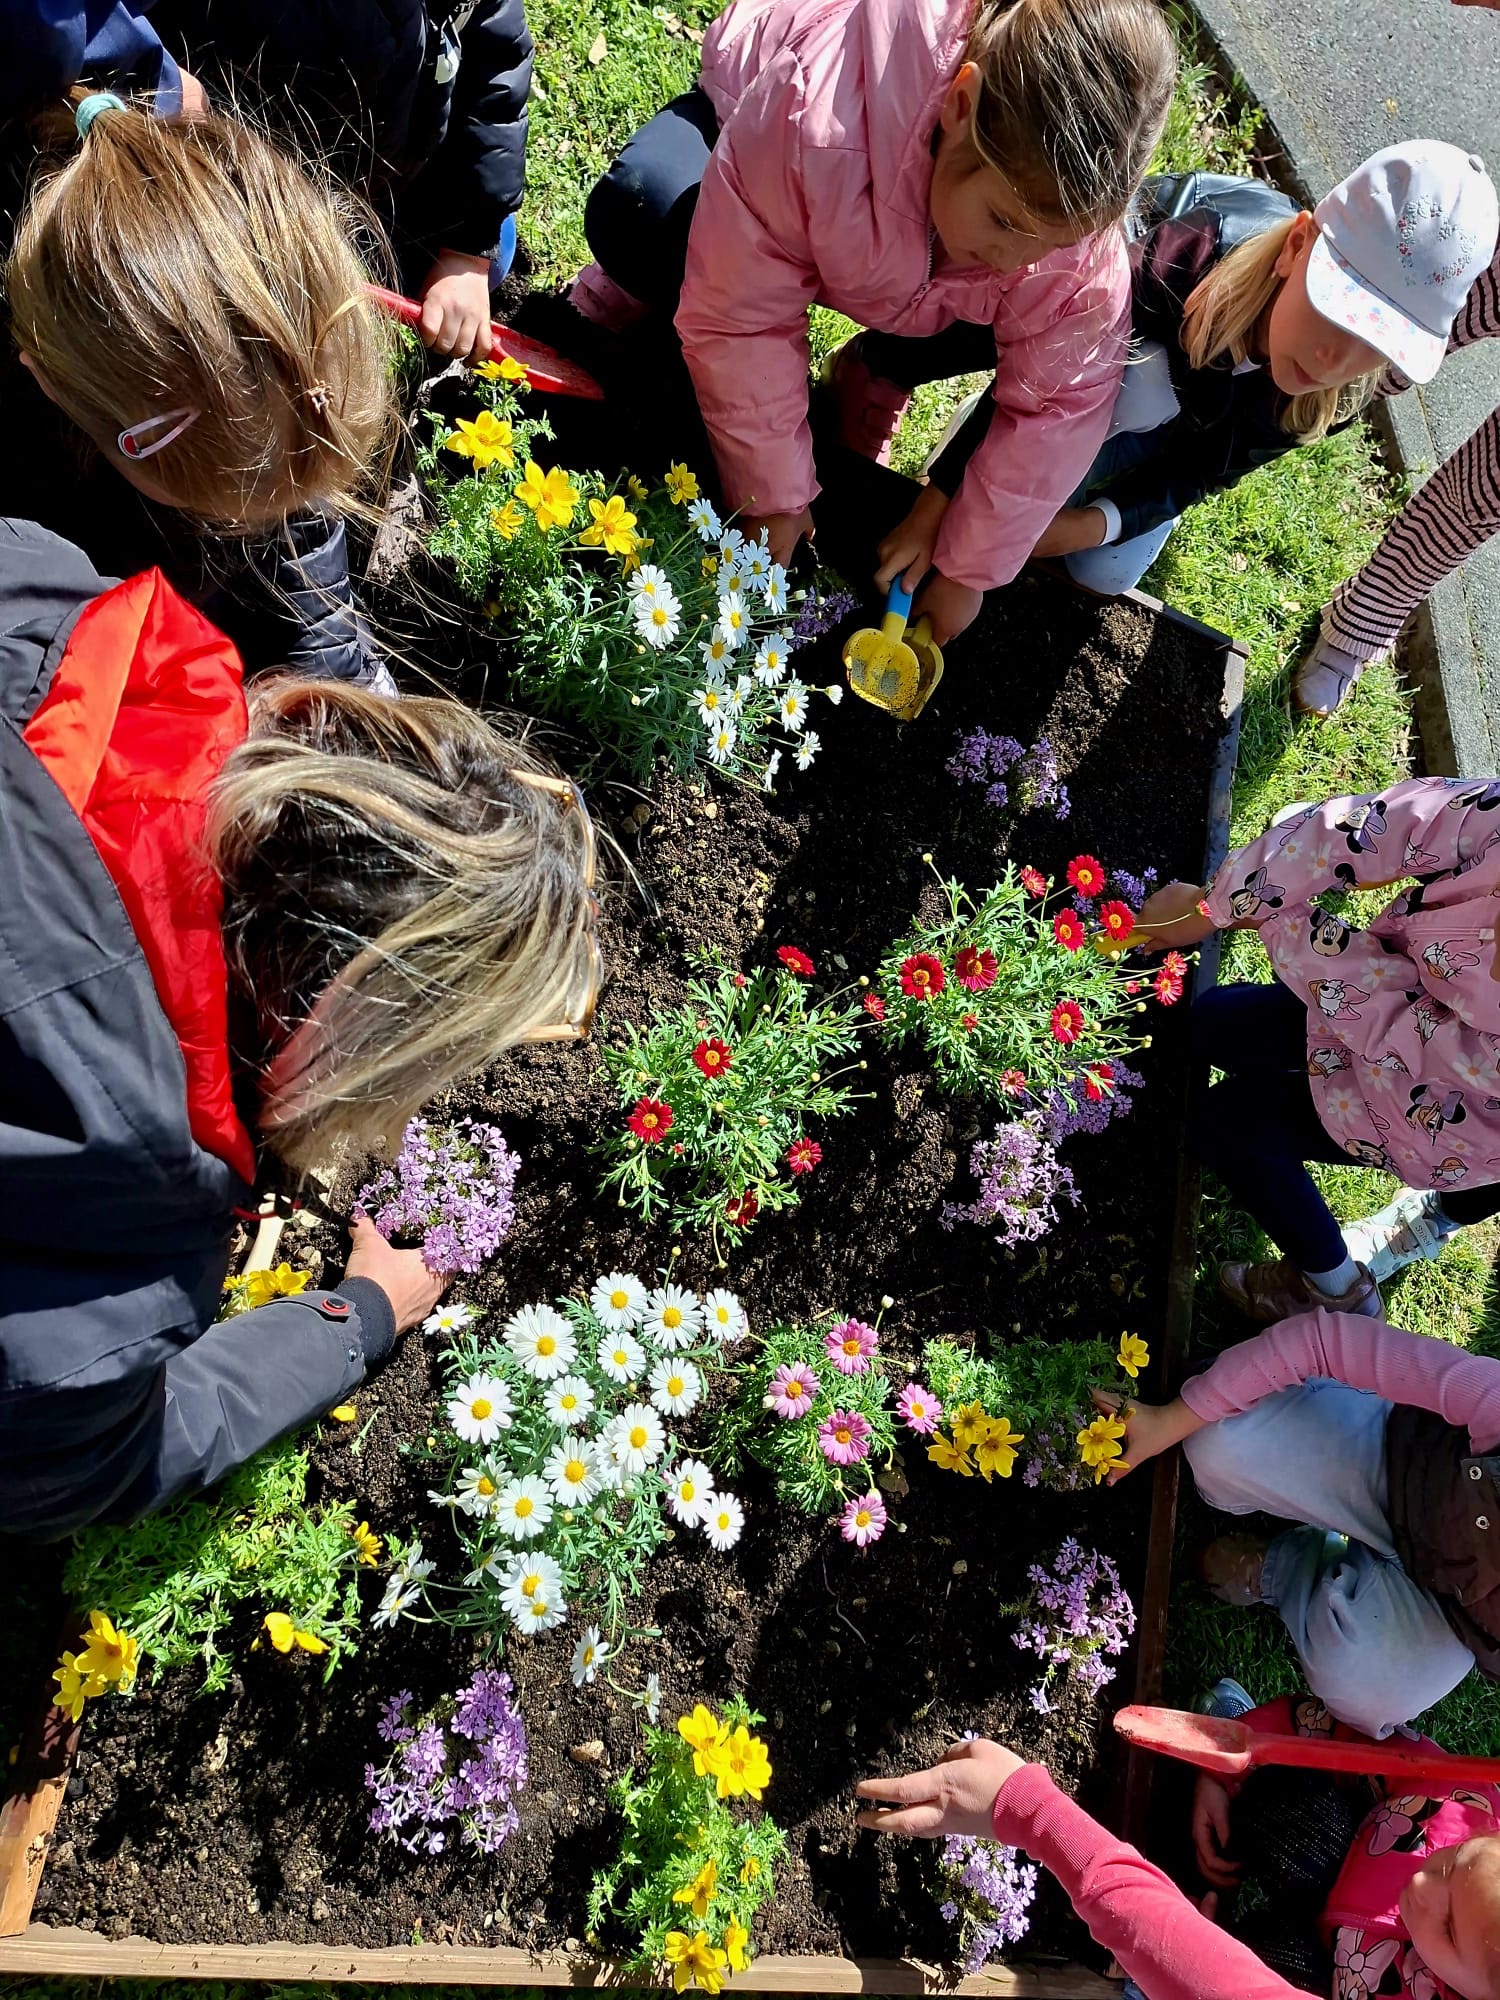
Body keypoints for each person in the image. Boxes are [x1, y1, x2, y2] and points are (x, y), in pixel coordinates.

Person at [0, 520, 599, 1539]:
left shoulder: (50, 601)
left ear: (319, 724)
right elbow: (89, 1462)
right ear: (352, 1050)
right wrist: (355, 1318)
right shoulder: (113, 1263)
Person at [571, 0, 1178, 645]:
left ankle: (875, 374)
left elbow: (1056, 409)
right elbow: (741, 312)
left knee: (1042, 312)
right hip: (747, 139)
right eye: (1004, 221)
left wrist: (970, 570)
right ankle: (640, 286)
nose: (1015, 258)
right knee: (647, 211)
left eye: (1048, 242)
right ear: (961, 104)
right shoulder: (816, 112)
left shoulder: (1063, 244)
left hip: (905, 266)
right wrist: (774, 494)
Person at [880, 143, 1497, 602]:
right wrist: (944, 495)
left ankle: (1076, 482)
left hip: (1186, 416)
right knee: (1135, 386)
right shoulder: (1179, 258)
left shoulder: (1335, 392)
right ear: (1295, 247)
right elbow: (1046, 373)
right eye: (1333, 314)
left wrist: (1089, 526)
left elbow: (1207, 469)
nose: (1332, 360)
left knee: (1104, 571)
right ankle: (984, 436)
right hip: (1095, 342)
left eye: (1373, 345)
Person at [2, 86, 398, 688]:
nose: (260, 527)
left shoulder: (268, 400)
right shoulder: (29, 480)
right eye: (222, 514)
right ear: (47, 384)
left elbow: (299, 520)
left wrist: (335, 681)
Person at [1133, 776, 1500, 1324]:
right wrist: (1218, 903)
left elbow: (1392, 1023)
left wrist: (1268, 913)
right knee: (1212, 1022)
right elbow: (1386, 823)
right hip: (1380, 992)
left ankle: (1335, 1286)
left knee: (1224, 1125)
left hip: (1427, 1116)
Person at [1092, 1308, 1500, 1741]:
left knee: (1371, 1694)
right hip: (1399, 1462)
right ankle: (1323, 1390)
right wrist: (1170, 1420)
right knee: (1216, 1440)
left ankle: (1286, 1567)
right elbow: (1322, 1342)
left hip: (1447, 1604)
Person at [857, 1728, 1500, 1998]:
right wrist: (1238, 1756)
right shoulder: (1471, 1804)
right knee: (1298, 1816)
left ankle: (1148, 1975)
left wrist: (1028, 1810)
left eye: (1447, 1928)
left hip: (1334, 1978)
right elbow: (1366, 1742)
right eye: (1454, 1861)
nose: (1422, 1879)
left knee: (1195, 1968)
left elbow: (1224, 1988)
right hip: (1351, 1869)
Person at [147, 0, 533, 363]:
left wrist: (467, 252)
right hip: (245, 193)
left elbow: (496, 64)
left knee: (494, 256)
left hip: (388, 175)